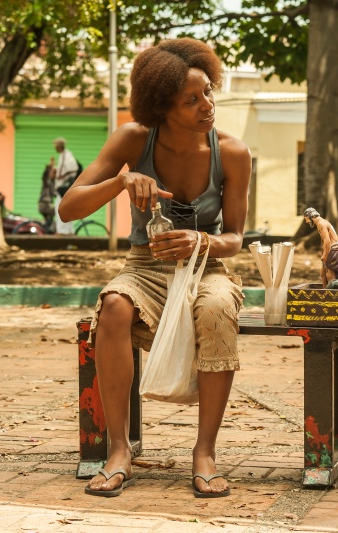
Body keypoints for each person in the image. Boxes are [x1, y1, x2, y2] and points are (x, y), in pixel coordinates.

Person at [58, 38, 251, 498]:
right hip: (144, 266)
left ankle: (204, 452)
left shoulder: (232, 152)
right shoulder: (133, 138)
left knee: (217, 308)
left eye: (208, 92)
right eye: (191, 100)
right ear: (162, 107)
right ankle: (119, 450)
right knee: (114, 306)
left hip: (205, 268)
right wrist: (121, 180)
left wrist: (202, 240)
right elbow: (68, 208)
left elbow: (235, 238)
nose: (207, 105)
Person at [53, 137, 79, 235]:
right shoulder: (63, 155)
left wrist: (62, 176)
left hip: (64, 188)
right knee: (66, 208)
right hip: (62, 188)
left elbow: (73, 168)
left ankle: (63, 231)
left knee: (60, 208)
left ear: (59, 146)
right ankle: (68, 231)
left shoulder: (67, 155)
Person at [38, 158, 57, 233]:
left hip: (47, 205)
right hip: (44, 204)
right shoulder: (46, 182)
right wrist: (50, 166)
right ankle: (49, 230)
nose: (54, 175)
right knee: (58, 212)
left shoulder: (53, 183)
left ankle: (47, 230)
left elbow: (55, 194)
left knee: (50, 221)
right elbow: (45, 175)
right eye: (53, 173)